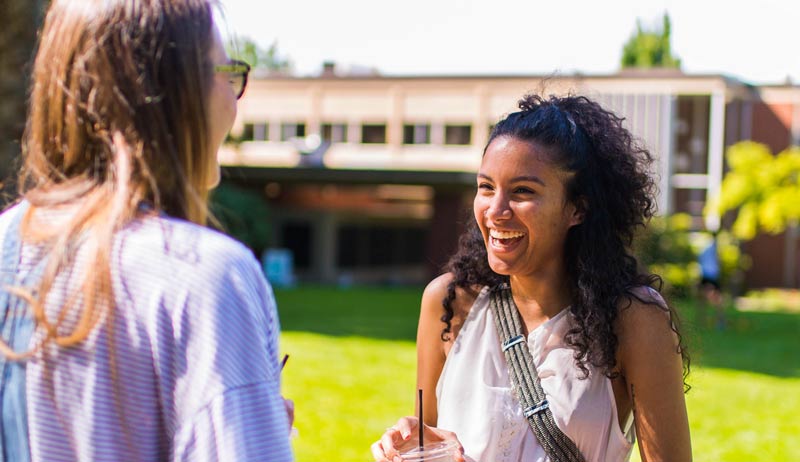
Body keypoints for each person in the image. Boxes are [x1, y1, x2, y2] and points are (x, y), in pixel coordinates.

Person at [0, 0, 294, 460]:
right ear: (174, 92)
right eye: (227, 73)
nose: (234, 103)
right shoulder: (206, 275)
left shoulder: (6, 241)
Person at [372, 94, 691, 462]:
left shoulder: (634, 319)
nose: (495, 211)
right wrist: (408, 445)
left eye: (523, 191)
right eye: (486, 187)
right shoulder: (447, 302)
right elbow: (429, 447)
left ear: (578, 208)